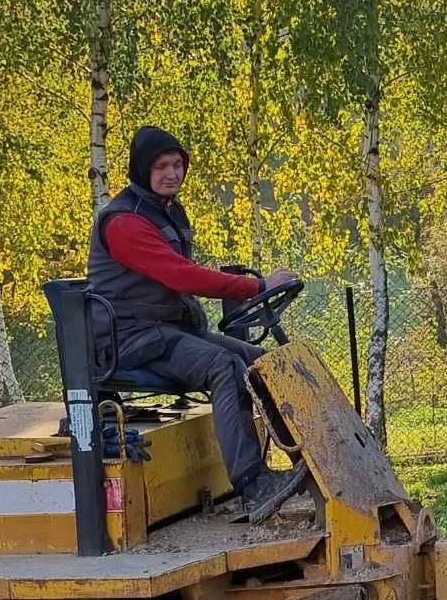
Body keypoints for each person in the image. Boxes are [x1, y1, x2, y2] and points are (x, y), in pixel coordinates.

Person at [88, 125, 304, 524]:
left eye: (177, 165)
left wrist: (240, 286)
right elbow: (181, 276)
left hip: (168, 331)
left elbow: (177, 277)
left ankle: (306, 462)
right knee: (223, 366)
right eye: (161, 166)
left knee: (263, 361)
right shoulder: (125, 223)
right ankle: (252, 486)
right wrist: (258, 284)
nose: (172, 174)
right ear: (141, 169)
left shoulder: (164, 211)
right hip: (131, 339)